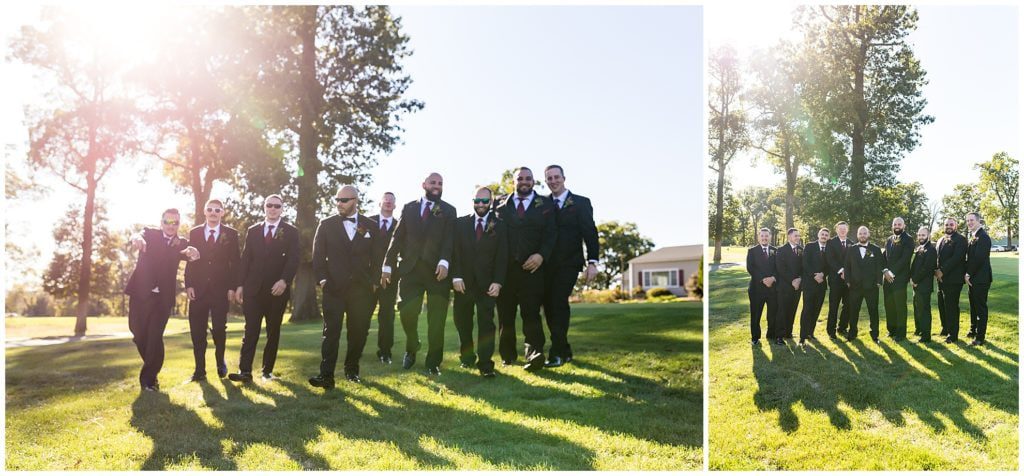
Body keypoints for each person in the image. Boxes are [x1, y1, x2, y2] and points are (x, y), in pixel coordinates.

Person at [309, 186, 387, 388]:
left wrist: (374, 281)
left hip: (362, 289)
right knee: (331, 331)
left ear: (355, 200)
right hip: (333, 287)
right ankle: (326, 376)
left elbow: (378, 257)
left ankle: (352, 370)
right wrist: (323, 280)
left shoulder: (371, 225)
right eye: (337, 200)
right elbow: (317, 256)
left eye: (344, 200)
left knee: (359, 331)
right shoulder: (326, 224)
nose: (339, 203)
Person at [381, 173, 457, 375]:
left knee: (437, 320)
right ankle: (412, 345)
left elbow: (450, 240)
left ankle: (433, 363)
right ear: (423, 184)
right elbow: (397, 238)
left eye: (440, 183)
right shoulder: (409, 207)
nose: (437, 186)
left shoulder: (449, 210)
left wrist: (444, 261)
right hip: (410, 270)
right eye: (433, 182)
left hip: (437, 272)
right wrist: (387, 264)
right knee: (406, 312)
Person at [125, 208, 200, 391]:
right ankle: (153, 369)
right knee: (138, 334)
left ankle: (149, 381)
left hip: (163, 299)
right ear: (161, 222)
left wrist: (194, 252)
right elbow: (138, 235)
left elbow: (192, 254)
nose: (171, 226)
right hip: (140, 293)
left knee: (154, 338)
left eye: (175, 222)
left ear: (178, 225)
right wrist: (137, 239)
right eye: (167, 221)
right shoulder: (149, 234)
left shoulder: (181, 242)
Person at [229, 194, 300, 382]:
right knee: (250, 330)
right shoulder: (253, 231)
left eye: (277, 206)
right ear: (264, 207)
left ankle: (267, 371)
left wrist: (284, 281)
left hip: (277, 291)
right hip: (253, 290)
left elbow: (294, 260)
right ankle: (245, 371)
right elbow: (246, 260)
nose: (273, 208)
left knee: (273, 331)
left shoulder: (291, 231)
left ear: (282, 209)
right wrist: (239, 285)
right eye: (269, 205)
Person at [495, 166, 557, 371]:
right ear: (513, 181)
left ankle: (534, 354)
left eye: (528, 178)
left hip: (532, 270)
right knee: (506, 315)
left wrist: (541, 255)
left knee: (531, 313)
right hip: (505, 271)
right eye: (520, 178)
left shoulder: (546, 205)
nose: (524, 181)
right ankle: (507, 355)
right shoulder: (500, 204)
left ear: (533, 181)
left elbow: (551, 235)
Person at [542, 165, 599, 367]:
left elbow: (590, 233)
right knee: (548, 306)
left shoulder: (581, 203)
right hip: (546, 265)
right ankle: (564, 349)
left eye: (556, 177)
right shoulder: (542, 203)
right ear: (546, 180)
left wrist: (593, 262)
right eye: (549, 178)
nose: (553, 180)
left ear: (564, 178)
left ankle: (556, 353)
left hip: (569, 263)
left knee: (557, 301)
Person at [451, 187, 508, 377]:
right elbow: (455, 252)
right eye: (478, 200)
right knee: (462, 323)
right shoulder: (460, 224)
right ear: (472, 201)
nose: (481, 204)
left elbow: (502, 256)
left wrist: (498, 282)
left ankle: (485, 364)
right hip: (463, 284)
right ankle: (467, 358)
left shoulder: (499, 225)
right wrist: (456, 276)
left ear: (491, 202)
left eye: (485, 201)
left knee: (486, 324)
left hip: (487, 284)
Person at [183, 199, 240, 381]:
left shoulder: (231, 234)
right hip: (198, 289)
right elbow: (190, 260)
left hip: (220, 290)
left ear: (222, 213)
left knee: (219, 329)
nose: (213, 213)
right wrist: (189, 284)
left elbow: (235, 262)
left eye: (217, 210)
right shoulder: (195, 232)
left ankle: (220, 361)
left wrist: (232, 287)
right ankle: (199, 371)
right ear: (205, 212)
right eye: (210, 209)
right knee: (197, 330)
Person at [369, 192, 399, 364]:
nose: (388, 202)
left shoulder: (400, 225)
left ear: (395, 206)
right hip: (368, 279)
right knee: (362, 315)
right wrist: (371, 278)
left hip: (390, 280)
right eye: (385, 200)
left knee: (387, 316)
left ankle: (385, 352)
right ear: (380, 203)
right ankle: (356, 349)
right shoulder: (368, 222)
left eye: (391, 201)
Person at [843, 225, 883, 342]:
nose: (862, 235)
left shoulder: (875, 249)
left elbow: (879, 265)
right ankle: (852, 333)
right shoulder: (851, 249)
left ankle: (875, 334)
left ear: (868, 235)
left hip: (871, 286)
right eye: (860, 233)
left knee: (873, 311)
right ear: (857, 235)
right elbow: (847, 266)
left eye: (864, 233)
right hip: (855, 286)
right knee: (854, 310)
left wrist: (879, 281)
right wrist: (848, 281)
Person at [935, 217, 968, 343]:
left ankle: (953, 335)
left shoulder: (960, 239)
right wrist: (936, 270)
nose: (948, 226)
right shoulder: (940, 240)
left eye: (951, 224)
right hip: (941, 278)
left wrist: (942, 270)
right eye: (946, 224)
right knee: (941, 305)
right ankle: (945, 328)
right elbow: (937, 257)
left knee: (951, 306)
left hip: (954, 279)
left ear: (956, 226)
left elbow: (957, 258)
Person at [882, 217, 914, 341]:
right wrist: (885, 271)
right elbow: (884, 257)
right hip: (887, 278)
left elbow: (905, 259)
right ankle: (892, 330)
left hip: (899, 278)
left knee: (900, 306)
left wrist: (891, 272)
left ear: (903, 226)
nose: (897, 226)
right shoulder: (889, 239)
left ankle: (901, 334)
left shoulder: (908, 239)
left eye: (899, 224)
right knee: (889, 304)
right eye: (895, 224)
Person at [964, 212, 992, 346]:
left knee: (980, 307)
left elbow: (979, 258)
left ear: (978, 221)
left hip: (981, 279)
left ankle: (980, 337)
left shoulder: (984, 237)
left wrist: (968, 273)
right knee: (973, 306)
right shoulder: (973, 236)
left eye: (972, 220)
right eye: (967, 221)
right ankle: (973, 329)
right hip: (973, 279)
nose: (969, 223)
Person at [746, 228, 778, 346]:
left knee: (772, 313)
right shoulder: (752, 251)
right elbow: (750, 268)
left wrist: (773, 278)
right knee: (756, 314)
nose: (764, 238)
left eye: (766, 236)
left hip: (772, 288)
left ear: (770, 237)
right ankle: (755, 337)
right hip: (756, 289)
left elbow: (778, 267)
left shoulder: (775, 250)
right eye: (762, 236)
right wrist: (763, 279)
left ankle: (771, 334)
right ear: (758, 237)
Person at [798, 227, 830, 345]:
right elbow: (805, 263)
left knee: (816, 310)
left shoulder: (829, 249)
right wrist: (814, 275)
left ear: (828, 237)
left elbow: (830, 265)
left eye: (826, 235)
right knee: (807, 309)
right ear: (818, 235)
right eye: (822, 234)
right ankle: (802, 336)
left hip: (821, 284)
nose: (824, 236)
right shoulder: (810, 246)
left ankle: (810, 333)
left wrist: (823, 274)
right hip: (809, 284)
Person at [774, 228, 803, 343]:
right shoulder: (781, 250)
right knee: (782, 311)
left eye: (798, 236)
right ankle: (779, 336)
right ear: (789, 236)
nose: (798, 237)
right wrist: (792, 280)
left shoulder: (801, 250)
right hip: (785, 286)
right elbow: (780, 268)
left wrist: (800, 279)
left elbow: (803, 267)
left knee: (792, 309)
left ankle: (788, 332)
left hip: (797, 286)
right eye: (795, 235)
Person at [825, 221, 853, 338]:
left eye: (844, 228)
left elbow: (853, 261)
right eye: (840, 228)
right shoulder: (830, 243)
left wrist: (848, 273)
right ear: (836, 230)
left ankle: (842, 328)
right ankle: (831, 331)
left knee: (848, 305)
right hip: (835, 279)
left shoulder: (852, 243)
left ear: (847, 230)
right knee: (834, 305)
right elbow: (830, 259)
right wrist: (842, 271)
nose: (842, 230)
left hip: (848, 281)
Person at [910, 226, 937, 343]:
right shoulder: (920, 248)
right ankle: (919, 329)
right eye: (919, 235)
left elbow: (926, 268)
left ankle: (926, 336)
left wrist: (915, 280)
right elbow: (915, 266)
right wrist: (911, 278)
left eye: (923, 235)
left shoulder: (931, 249)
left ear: (928, 236)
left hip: (924, 285)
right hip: (916, 284)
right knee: (917, 308)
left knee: (924, 310)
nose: (921, 237)